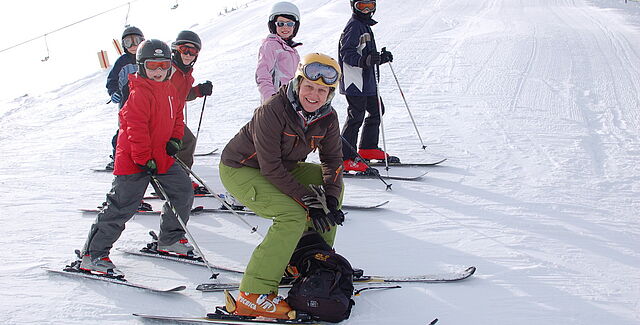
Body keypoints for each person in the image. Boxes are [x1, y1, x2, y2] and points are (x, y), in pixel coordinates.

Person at [219, 53, 346, 320]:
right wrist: (309, 202)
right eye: (309, 86)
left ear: (330, 93)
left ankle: (310, 259)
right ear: (298, 83)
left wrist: (330, 201)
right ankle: (253, 294)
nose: (314, 95)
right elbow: (270, 168)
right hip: (241, 168)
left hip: (282, 168)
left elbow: (333, 161)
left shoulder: (328, 118)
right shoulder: (273, 110)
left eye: (322, 90)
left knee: (328, 187)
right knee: (293, 214)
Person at [78, 39, 195, 277]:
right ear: (142, 66)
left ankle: (170, 239)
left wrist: (175, 140)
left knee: (182, 192)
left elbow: (177, 119)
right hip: (134, 160)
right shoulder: (138, 93)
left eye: (164, 65)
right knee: (122, 206)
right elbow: (135, 129)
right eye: (153, 65)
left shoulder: (170, 90)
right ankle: (93, 255)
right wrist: (143, 159)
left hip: (160, 157)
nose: (159, 71)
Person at [338, 0, 396, 173]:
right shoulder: (354, 26)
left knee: (377, 109)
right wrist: (365, 60)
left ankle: (368, 147)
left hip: (367, 81)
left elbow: (364, 53)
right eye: (362, 6)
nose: (366, 10)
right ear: (353, 6)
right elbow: (346, 53)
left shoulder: (364, 25)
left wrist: (378, 58)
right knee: (356, 115)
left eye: (370, 6)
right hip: (355, 81)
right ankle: (345, 158)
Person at [169, 30, 213, 194]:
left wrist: (200, 90)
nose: (188, 54)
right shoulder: (169, 70)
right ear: (176, 49)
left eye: (193, 51)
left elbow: (183, 95)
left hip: (174, 119)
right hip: (162, 119)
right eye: (184, 49)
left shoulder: (186, 74)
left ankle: (180, 181)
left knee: (187, 143)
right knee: (183, 144)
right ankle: (174, 183)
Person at [105, 26, 145, 170]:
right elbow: (112, 80)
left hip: (146, 104)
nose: (134, 46)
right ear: (124, 45)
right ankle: (117, 157)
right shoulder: (122, 62)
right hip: (126, 105)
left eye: (137, 41)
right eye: (129, 42)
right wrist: (113, 92)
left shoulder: (147, 59)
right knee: (124, 132)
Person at [255, 1, 302, 103]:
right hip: (276, 103)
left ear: (295, 27)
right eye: (280, 24)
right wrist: (271, 100)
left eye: (290, 24)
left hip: (291, 103)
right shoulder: (270, 46)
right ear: (273, 25)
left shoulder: (293, 51)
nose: (285, 27)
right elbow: (262, 75)